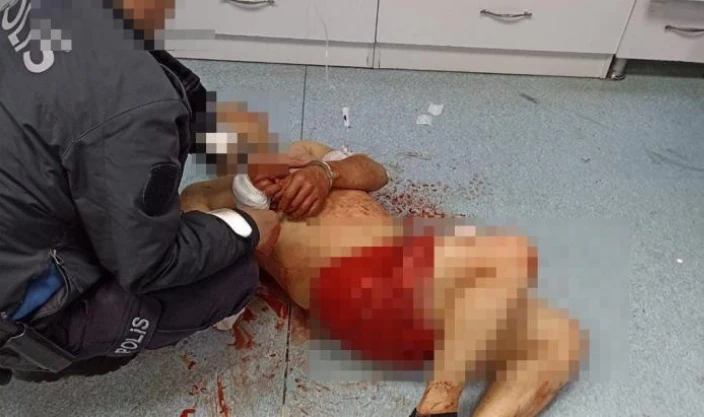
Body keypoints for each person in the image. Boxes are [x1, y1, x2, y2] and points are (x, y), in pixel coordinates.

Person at [181, 139, 587, 417]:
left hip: (426, 279)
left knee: (560, 337)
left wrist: (325, 172)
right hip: (355, 287)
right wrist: (248, 197)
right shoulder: (213, 193)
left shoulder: (306, 152)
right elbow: (195, 249)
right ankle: (440, 400)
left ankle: (433, 411)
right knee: (498, 256)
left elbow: (376, 173)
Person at [0, 0, 284, 383]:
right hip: (13, 310)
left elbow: (150, 80)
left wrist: (239, 151)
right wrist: (248, 227)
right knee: (235, 278)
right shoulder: (132, 103)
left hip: (15, 236)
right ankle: (37, 352)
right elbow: (150, 265)